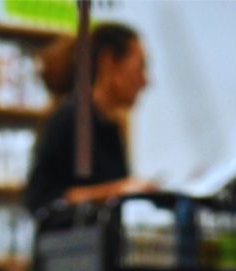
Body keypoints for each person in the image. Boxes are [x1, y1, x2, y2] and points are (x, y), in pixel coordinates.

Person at [24, 22, 156, 218]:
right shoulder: (68, 120)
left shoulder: (112, 128)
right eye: (140, 67)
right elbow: (41, 200)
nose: (145, 81)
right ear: (108, 61)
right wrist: (118, 190)